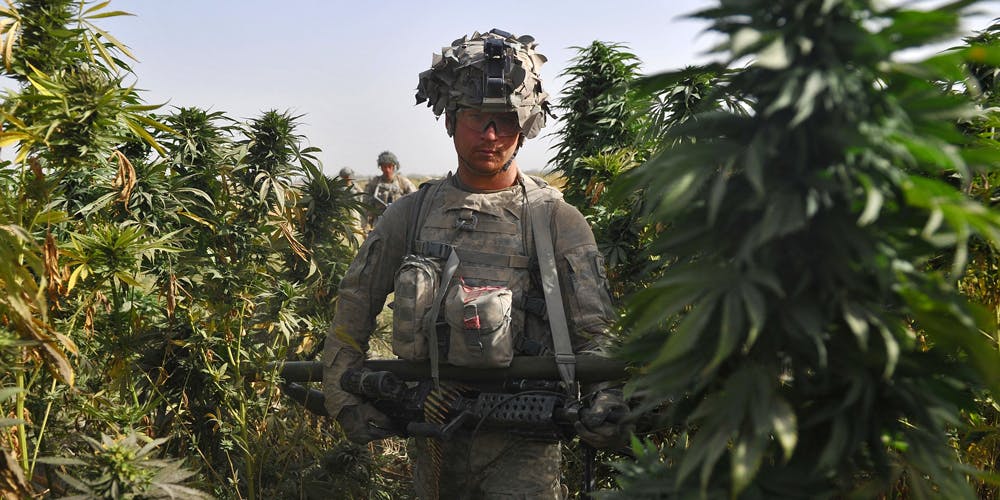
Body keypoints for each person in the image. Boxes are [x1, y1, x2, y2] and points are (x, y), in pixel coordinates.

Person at [323, 29, 627, 499]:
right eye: (476, 118)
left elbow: (597, 330)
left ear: (525, 126)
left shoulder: (554, 219)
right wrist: (344, 399)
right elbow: (353, 308)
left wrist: (606, 402)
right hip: (433, 430)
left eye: (506, 121)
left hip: (526, 439)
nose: (491, 135)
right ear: (450, 120)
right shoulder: (411, 214)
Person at [363, 150, 416, 231]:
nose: (387, 170)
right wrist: (366, 225)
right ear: (380, 167)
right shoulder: (374, 183)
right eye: (384, 166)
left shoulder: (403, 182)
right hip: (379, 224)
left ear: (394, 166)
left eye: (389, 166)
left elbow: (416, 200)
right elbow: (365, 205)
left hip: (400, 223)